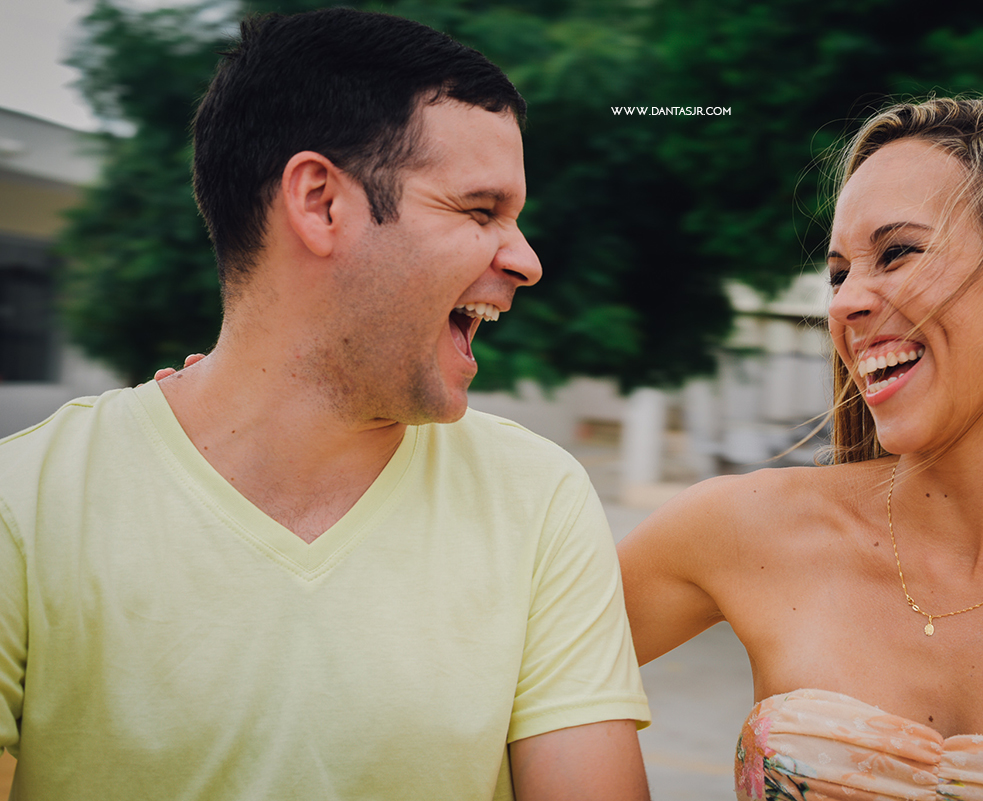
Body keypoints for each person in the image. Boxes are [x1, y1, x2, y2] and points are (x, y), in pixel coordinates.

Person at [0, 9, 650, 800]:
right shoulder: (25, 507)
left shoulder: (538, 498)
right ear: (321, 201)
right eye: (481, 211)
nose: (526, 261)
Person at [618, 96, 983, 798]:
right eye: (838, 273)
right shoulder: (736, 529)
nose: (844, 303)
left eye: (897, 252)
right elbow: (497, 691)